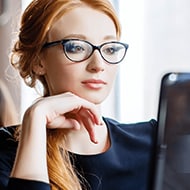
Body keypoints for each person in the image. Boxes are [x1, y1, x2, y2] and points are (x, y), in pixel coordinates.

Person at [0, 0, 157, 189]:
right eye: (76, 47)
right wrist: (36, 116)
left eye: (110, 48)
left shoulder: (154, 142)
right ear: (38, 60)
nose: (98, 65)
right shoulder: (6, 150)